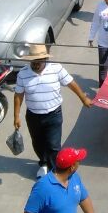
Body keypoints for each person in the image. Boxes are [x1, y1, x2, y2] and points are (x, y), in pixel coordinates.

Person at [13, 44, 94, 178]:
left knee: (53, 145)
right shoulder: (23, 74)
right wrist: (16, 116)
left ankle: (55, 171)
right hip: (33, 116)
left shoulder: (56, 69)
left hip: (54, 114)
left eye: (39, 61)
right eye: (33, 61)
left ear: (45, 59)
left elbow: (71, 83)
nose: (35, 64)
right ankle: (44, 164)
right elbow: (18, 95)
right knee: (38, 143)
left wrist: (83, 98)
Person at [13, 147, 102, 213]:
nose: (80, 162)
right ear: (72, 167)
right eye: (78, 161)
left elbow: (83, 198)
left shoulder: (74, 177)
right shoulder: (43, 187)